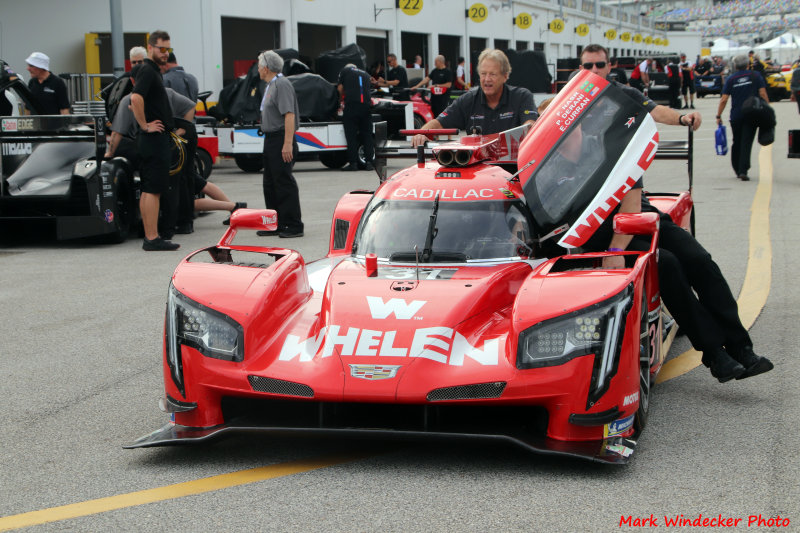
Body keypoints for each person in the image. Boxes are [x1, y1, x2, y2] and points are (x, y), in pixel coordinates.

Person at [578, 44, 772, 383]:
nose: (594, 71)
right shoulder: (571, 108)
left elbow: (656, 113)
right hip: (594, 223)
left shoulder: (622, 109)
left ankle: (741, 348)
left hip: (634, 208)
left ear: (610, 66)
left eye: (599, 64)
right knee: (667, 265)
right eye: (587, 66)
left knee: (699, 259)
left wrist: (683, 118)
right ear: (579, 69)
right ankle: (715, 354)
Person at [411, 49, 536, 146]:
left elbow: (530, 125)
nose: (487, 79)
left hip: (514, 168)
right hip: (479, 171)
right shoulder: (468, 100)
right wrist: (421, 134)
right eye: (483, 74)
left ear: (505, 76)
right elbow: (438, 123)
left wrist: (527, 130)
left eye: (492, 74)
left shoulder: (522, 97)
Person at [130, 30, 180, 251]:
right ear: (150, 47)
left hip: (153, 138)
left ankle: (151, 235)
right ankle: (152, 237)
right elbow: (135, 98)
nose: (165, 53)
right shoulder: (148, 71)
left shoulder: (151, 71)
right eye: (161, 49)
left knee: (150, 188)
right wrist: (144, 125)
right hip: (152, 138)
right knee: (153, 188)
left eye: (167, 49)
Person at [256, 50, 304, 238]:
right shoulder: (271, 85)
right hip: (270, 139)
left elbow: (289, 114)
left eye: (259, 66)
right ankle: (276, 222)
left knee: (283, 181)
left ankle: (293, 224)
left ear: (266, 68)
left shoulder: (282, 84)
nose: (258, 69)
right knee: (270, 182)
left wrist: (287, 143)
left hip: (280, 138)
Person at [716, 54, 769, 182]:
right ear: (747, 64)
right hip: (752, 114)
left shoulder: (731, 79)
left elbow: (724, 99)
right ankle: (743, 170)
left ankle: (737, 168)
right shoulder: (756, 76)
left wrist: (719, 115)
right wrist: (767, 109)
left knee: (737, 141)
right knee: (747, 141)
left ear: (735, 65)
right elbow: (762, 93)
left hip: (736, 115)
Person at [337, 64, 374, 172]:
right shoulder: (366, 74)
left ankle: (353, 163)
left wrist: (339, 101)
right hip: (366, 107)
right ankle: (369, 163)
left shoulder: (345, 71)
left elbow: (340, 88)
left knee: (351, 135)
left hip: (352, 106)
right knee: (367, 135)